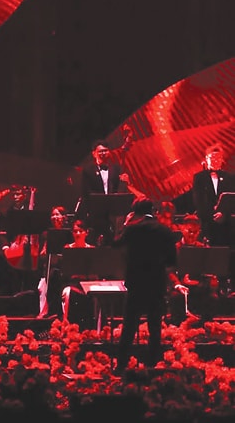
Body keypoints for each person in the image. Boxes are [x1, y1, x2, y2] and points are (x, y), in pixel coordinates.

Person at [111, 198, 178, 373]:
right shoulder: (165, 231)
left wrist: (125, 224)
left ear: (135, 213)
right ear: (153, 211)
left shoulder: (132, 229)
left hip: (136, 283)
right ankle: (152, 365)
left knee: (129, 326)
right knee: (155, 327)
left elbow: (115, 244)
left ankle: (121, 365)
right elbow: (171, 261)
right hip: (156, 284)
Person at [192, 144, 233, 246]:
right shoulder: (199, 177)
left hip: (225, 224)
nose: (216, 160)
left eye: (218, 158)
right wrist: (212, 215)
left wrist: (223, 214)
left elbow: (231, 199)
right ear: (207, 159)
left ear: (222, 160)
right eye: (213, 158)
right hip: (206, 223)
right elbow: (198, 200)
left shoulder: (229, 177)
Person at [59, 220, 95, 322]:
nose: (78, 234)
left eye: (81, 231)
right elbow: (64, 271)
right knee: (67, 292)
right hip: (72, 283)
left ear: (86, 232)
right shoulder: (67, 248)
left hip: (88, 283)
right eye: (75, 231)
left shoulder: (92, 249)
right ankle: (66, 322)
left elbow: (95, 272)